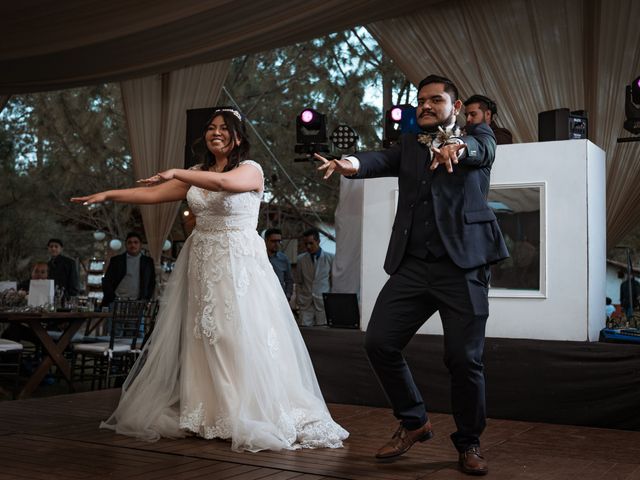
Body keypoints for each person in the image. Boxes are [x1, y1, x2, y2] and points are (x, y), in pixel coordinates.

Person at [71, 108, 347, 452]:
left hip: (238, 263)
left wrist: (176, 171)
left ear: (238, 137)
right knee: (204, 334)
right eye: (211, 128)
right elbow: (154, 195)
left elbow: (223, 184)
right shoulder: (198, 172)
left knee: (235, 333)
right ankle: (208, 413)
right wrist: (110, 194)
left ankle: (245, 410)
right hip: (202, 260)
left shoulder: (251, 170)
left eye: (224, 128)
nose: (215, 133)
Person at [315, 74, 509, 476]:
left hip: (463, 266)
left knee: (463, 359)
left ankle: (469, 442)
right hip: (413, 265)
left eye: (435, 99)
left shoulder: (477, 133)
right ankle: (414, 421)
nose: (424, 105)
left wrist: (457, 145)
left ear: (455, 107)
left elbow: (481, 149)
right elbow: (376, 159)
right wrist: (347, 163)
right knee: (380, 342)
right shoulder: (409, 145)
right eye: (420, 100)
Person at [101, 232, 156, 308]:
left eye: (135, 242)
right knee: (114, 320)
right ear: (126, 245)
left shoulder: (148, 262)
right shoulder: (117, 261)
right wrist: (111, 297)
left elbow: (151, 282)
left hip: (138, 304)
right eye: (129, 242)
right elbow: (107, 280)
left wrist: (146, 299)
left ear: (140, 245)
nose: (132, 245)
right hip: (116, 302)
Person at [295, 228, 334, 326]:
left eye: (311, 243)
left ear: (318, 241)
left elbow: (333, 281)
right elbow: (299, 282)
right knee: (305, 333)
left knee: (323, 332)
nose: (308, 246)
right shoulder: (300, 259)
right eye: (306, 243)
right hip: (306, 303)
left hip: (323, 304)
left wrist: (330, 301)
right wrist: (300, 299)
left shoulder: (330, 258)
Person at [264, 228, 293, 301]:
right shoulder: (258, 258)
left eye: (279, 241)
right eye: (273, 241)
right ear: (266, 241)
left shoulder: (284, 259)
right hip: (263, 298)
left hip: (279, 299)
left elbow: (289, 280)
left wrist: (287, 296)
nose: (277, 244)